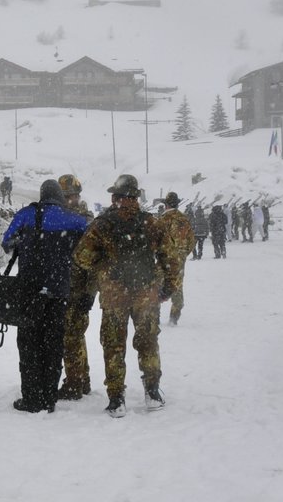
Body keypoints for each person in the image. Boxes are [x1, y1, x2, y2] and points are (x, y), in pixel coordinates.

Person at [72, 175, 180, 417]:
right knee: (148, 343)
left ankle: (116, 398)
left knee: (113, 346)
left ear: (115, 197)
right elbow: (171, 258)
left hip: (114, 296)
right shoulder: (152, 222)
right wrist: (168, 288)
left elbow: (81, 257)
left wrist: (104, 269)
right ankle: (152, 392)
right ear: (136, 197)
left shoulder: (102, 224)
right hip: (146, 294)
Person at [0, 180, 87, 413]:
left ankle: (30, 398)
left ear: (41, 195)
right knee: (53, 344)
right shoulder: (74, 220)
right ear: (59, 196)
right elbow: (89, 243)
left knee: (28, 344)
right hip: (58, 292)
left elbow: (6, 242)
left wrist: (25, 242)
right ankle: (49, 397)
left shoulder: (26, 215)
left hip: (28, 292)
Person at [56, 173, 95, 401]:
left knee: (70, 336)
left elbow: (94, 260)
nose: (71, 200)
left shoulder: (83, 221)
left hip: (78, 287)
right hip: (69, 285)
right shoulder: (75, 219)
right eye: (68, 196)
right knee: (75, 336)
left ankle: (74, 384)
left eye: (73, 196)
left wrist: (90, 292)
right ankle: (83, 379)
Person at [154, 193, 195, 326]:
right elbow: (191, 241)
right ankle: (174, 317)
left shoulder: (162, 219)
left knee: (157, 286)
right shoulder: (184, 219)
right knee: (177, 286)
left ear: (166, 205)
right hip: (179, 260)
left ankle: (155, 317)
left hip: (164, 258)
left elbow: (155, 239)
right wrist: (182, 254)